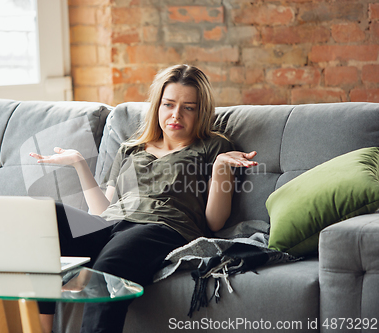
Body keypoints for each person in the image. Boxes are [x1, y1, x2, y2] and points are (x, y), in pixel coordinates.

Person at [29, 64, 257, 333]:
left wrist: (220, 168)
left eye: (189, 107)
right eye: (168, 104)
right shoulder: (131, 148)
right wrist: (80, 164)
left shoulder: (214, 147)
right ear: (157, 106)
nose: (176, 115)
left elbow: (215, 222)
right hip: (114, 223)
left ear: (201, 111)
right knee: (47, 218)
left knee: (106, 271)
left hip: (161, 227)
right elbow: (103, 211)